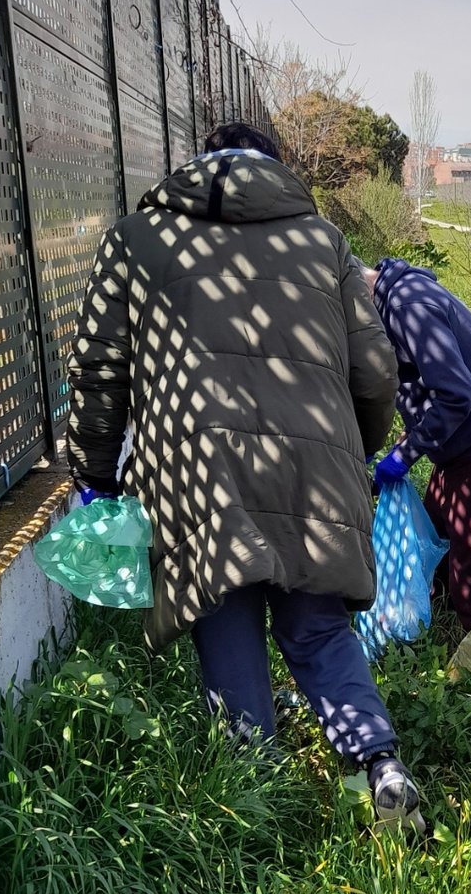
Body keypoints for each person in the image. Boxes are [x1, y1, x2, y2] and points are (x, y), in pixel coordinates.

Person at [66, 122, 424, 832]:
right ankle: (380, 766)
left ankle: (256, 811)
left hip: (197, 477)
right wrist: (356, 449)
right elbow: (377, 368)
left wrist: (95, 478)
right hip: (312, 471)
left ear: (200, 160)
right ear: (275, 167)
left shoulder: (139, 240)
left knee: (222, 614)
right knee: (319, 629)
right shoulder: (322, 241)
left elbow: (98, 372)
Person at [363, 256, 471, 632]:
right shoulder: (391, 302)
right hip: (454, 453)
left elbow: (456, 393)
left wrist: (404, 455)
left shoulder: (407, 305)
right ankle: (444, 646)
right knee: (435, 546)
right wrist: (405, 436)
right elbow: (421, 383)